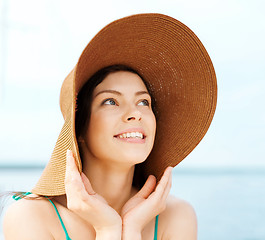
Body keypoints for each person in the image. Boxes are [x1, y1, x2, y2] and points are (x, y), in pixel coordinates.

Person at [2, 13, 217, 240]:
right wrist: (108, 230)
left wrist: (132, 229)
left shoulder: (175, 217)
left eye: (143, 102)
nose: (135, 113)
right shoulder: (30, 217)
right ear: (79, 128)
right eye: (110, 101)